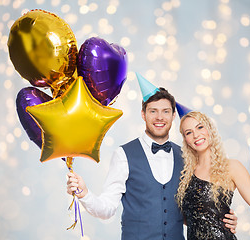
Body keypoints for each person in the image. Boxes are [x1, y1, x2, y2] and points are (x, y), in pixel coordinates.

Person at [67, 87, 238, 239]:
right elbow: (107, 210)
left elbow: (193, 208)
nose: (159, 117)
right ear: (143, 114)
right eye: (153, 111)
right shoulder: (123, 155)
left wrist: (221, 218)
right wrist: (84, 193)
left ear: (172, 115)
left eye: (165, 111)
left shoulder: (187, 158)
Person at [176, 111, 250, 240]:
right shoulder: (186, 174)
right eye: (188, 132)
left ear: (209, 129)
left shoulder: (231, 167)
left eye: (200, 127)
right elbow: (189, 216)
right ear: (186, 140)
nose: (196, 135)